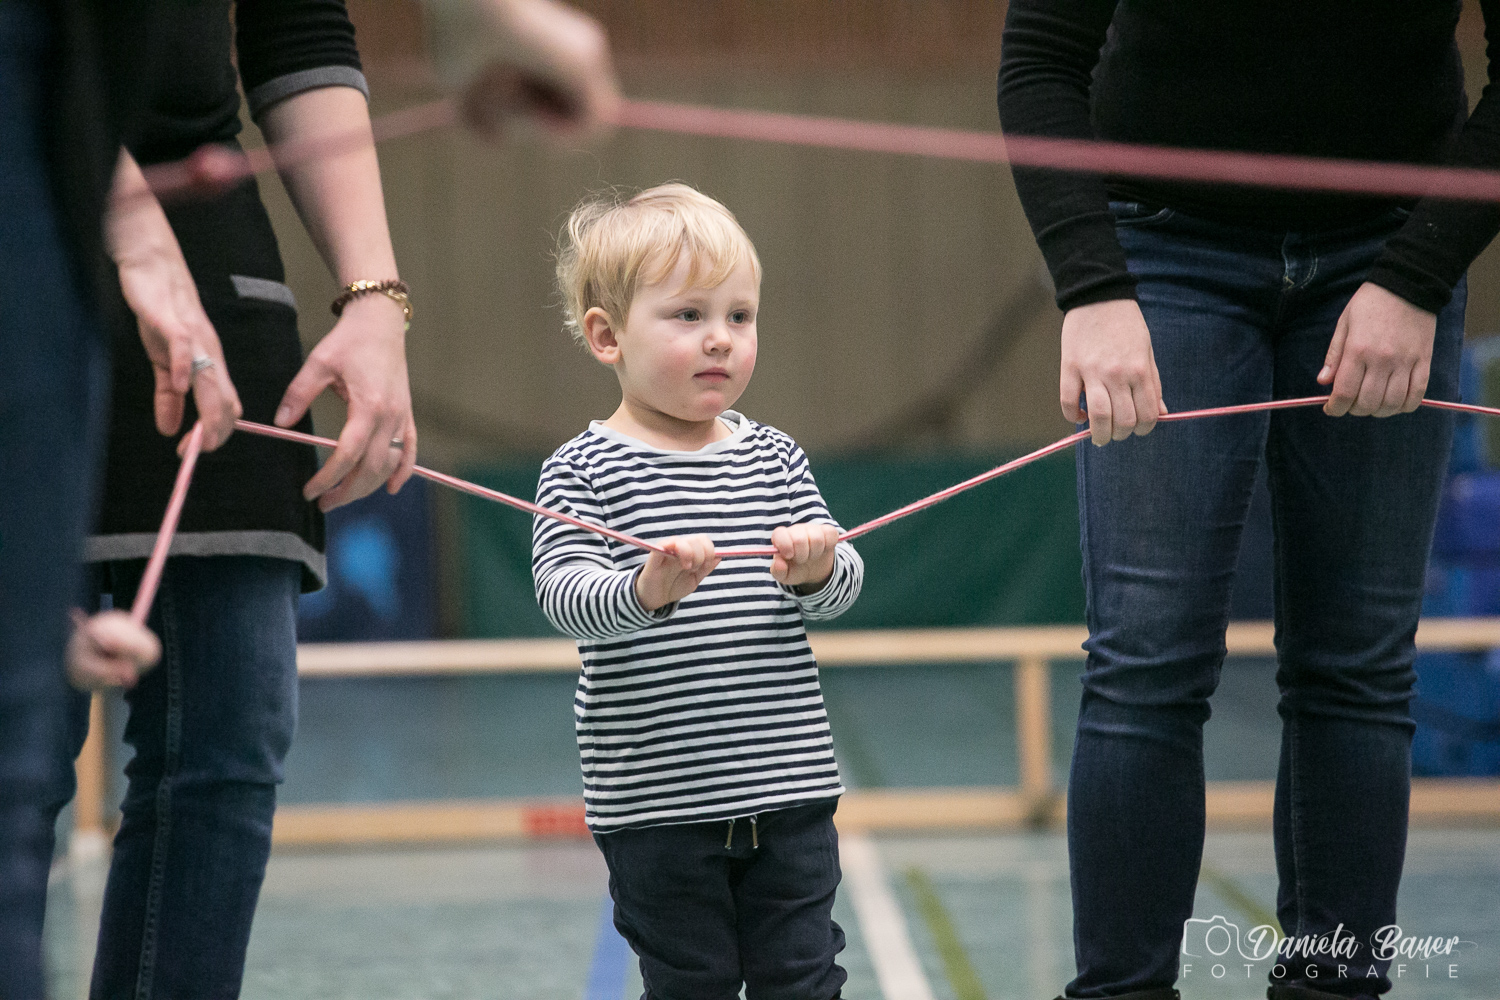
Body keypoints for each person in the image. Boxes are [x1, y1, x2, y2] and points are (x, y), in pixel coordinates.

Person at [3, 1, 618, 995]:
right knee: (20, 753)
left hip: (208, 226)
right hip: (33, 200)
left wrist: (376, 296)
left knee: (227, 744)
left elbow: (298, 26)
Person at [997, 4, 1500, 1000]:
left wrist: (1417, 275)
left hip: (1390, 251)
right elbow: (1041, 60)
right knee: (1148, 657)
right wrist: (1093, 289)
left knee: (1356, 664)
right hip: (1162, 253)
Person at [533, 183, 863, 1000]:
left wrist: (820, 568)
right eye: (688, 316)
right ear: (607, 336)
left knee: (805, 978)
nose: (721, 339)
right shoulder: (582, 469)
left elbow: (841, 589)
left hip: (789, 793)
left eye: (740, 317)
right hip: (655, 810)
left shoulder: (776, 459)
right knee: (692, 985)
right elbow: (562, 593)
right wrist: (644, 589)